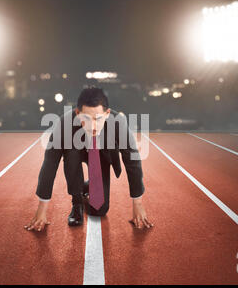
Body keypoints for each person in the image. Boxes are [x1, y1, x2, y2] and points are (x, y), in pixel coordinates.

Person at [25, 87, 153, 231]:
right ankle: (77, 202)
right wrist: (41, 210)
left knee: (100, 210)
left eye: (98, 119)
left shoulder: (118, 122)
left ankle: (86, 186)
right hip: (75, 152)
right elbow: (50, 163)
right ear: (78, 114)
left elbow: (132, 161)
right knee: (71, 153)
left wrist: (138, 204)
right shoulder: (64, 124)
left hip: (102, 154)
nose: (92, 126)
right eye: (86, 119)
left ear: (107, 114)